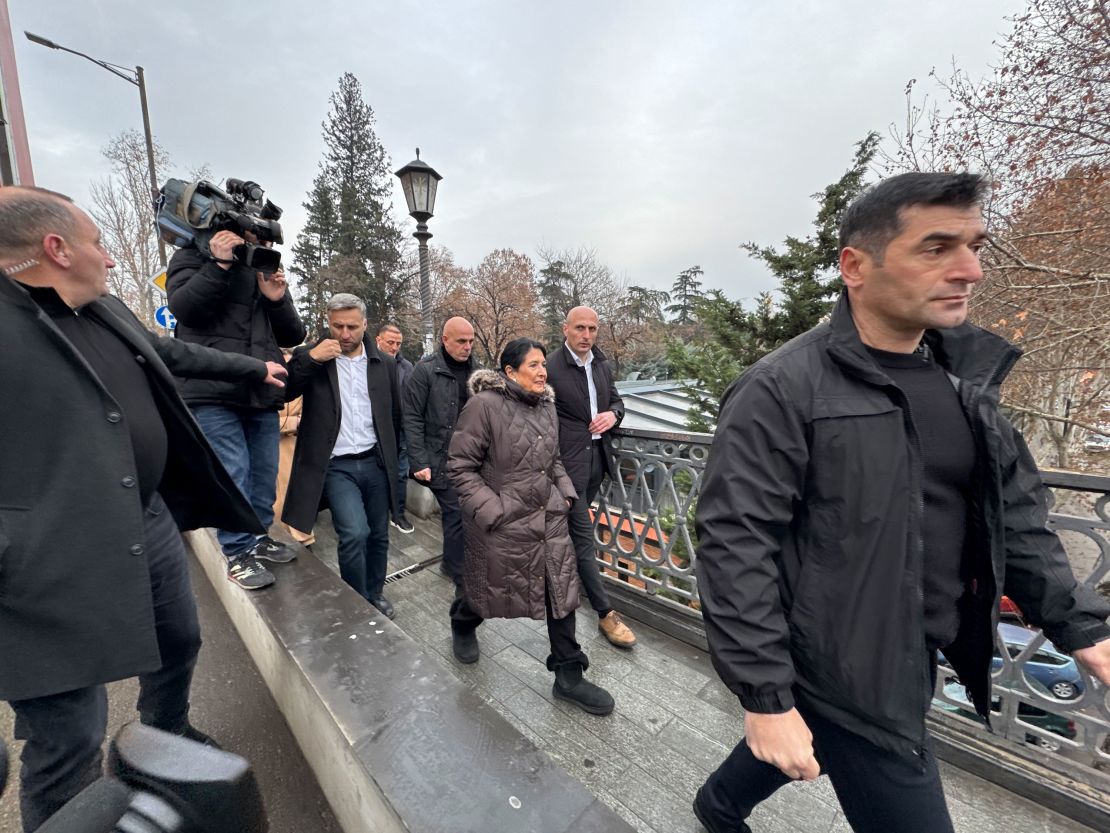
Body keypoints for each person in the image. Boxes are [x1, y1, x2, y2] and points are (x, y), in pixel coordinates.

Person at [692, 172, 1110, 833]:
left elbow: (1015, 515)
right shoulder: (780, 389)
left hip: (920, 643)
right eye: (936, 247)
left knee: (809, 747)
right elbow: (733, 540)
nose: (970, 269)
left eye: (976, 244)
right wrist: (767, 696)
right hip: (844, 666)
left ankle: (717, 804)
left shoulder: (964, 383)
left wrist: (1082, 624)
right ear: (855, 266)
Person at [0, 186, 288, 832]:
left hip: (144, 514)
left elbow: (172, 352)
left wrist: (249, 370)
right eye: (98, 242)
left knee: (179, 637)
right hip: (47, 563)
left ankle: (164, 733)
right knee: (70, 732)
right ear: (57, 248)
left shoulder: (101, 305)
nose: (107, 255)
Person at [446, 338, 615, 715]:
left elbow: (553, 460)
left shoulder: (547, 406)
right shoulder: (483, 406)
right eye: (534, 365)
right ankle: (462, 621)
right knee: (490, 588)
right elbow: (460, 467)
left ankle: (569, 676)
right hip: (504, 523)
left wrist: (567, 494)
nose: (543, 371)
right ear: (509, 372)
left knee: (561, 590)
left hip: (549, 517)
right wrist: (493, 510)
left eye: (543, 364)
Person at [167, 227, 307, 590]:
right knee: (232, 471)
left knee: (263, 473)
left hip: (262, 390)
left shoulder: (262, 270)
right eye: (256, 238)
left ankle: (258, 536)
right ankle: (237, 552)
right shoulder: (192, 258)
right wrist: (218, 264)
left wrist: (275, 298)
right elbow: (184, 310)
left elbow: (293, 334)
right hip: (212, 390)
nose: (264, 246)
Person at [281, 294, 402, 618]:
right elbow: (284, 390)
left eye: (351, 326)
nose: (344, 334)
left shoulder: (384, 363)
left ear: (365, 324)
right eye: (337, 326)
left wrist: (396, 459)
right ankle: (355, 599)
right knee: (353, 532)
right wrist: (311, 359)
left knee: (378, 534)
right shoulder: (314, 356)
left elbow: (395, 415)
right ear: (328, 322)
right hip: (336, 465)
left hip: (374, 461)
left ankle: (374, 594)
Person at [546, 305, 637, 649]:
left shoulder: (601, 363)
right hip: (565, 467)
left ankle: (565, 583)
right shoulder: (550, 366)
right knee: (584, 537)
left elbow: (616, 401)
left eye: (593, 329)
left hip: (598, 461)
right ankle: (604, 613)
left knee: (573, 537)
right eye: (580, 328)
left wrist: (613, 415)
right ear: (565, 328)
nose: (587, 335)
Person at [402, 316, 480, 583]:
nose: (467, 346)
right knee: (456, 510)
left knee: (468, 511)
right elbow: (411, 417)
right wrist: (419, 461)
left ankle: (456, 560)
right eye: (461, 341)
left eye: (471, 341)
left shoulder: (477, 371)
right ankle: (455, 568)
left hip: (469, 457)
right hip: (437, 457)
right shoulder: (424, 371)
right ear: (445, 340)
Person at [376, 322, 415, 533]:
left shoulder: (407, 367)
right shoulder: (369, 364)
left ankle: (398, 514)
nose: (394, 347)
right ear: (378, 340)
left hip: (401, 428)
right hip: (375, 428)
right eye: (390, 342)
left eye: (398, 343)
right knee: (376, 472)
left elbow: (412, 399)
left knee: (401, 473)